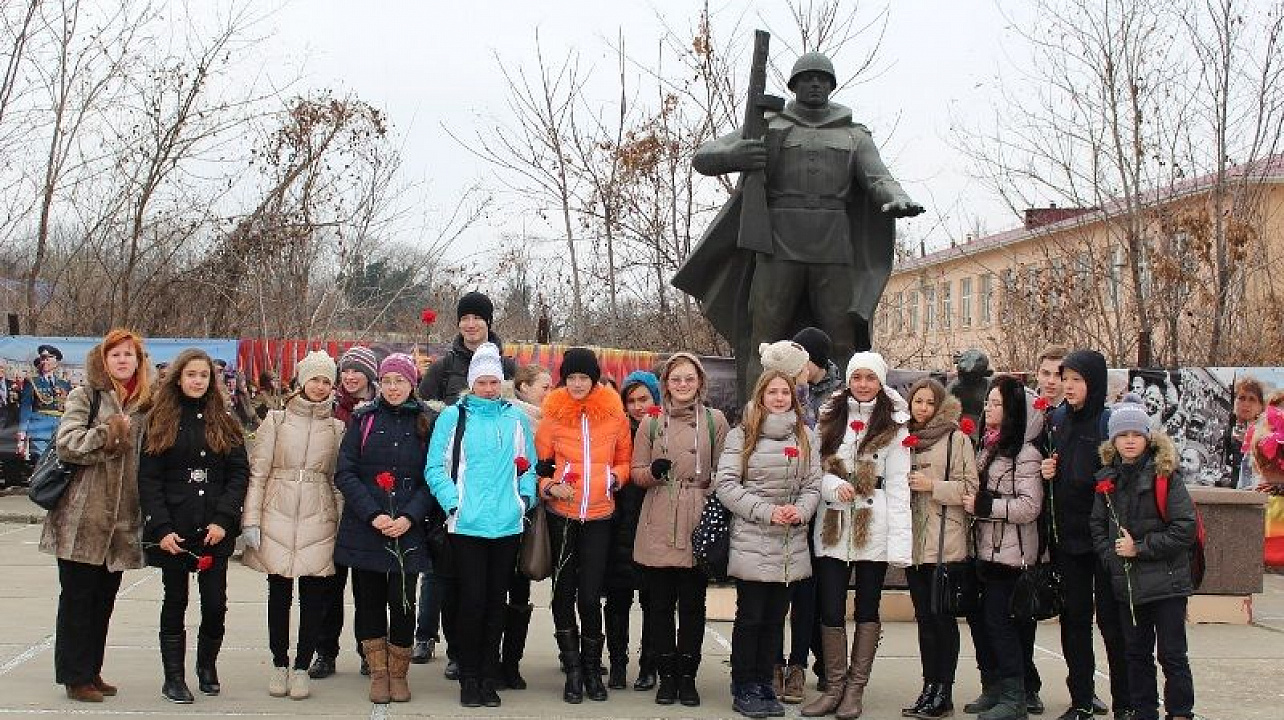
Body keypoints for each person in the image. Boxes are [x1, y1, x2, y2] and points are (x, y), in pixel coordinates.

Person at [675, 51, 924, 401]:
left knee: (841, 339)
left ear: (832, 85)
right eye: (807, 78)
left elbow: (878, 177)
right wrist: (737, 156)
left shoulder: (853, 135)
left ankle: (844, 413)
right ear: (794, 85)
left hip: (833, 246)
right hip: (777, 244)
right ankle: (754, 413)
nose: (815, 84)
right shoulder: (770, 124)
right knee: (763, 340)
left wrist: (898, 198)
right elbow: (703, 158)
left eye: (822, 78)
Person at [40, 330, 152, 702]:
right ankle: (75, 677)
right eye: (115, 354)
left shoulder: (144, 404)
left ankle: (91, 669)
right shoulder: (86, 395)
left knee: (103, 602)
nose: (122, 360)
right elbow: (67, 443)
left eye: (128, 354)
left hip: (121, 522)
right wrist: (108, 434)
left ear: (138, 361)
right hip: (81, 518)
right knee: (77, 600)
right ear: (103, 360)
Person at [425, 343, 537, 708]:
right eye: (482, 382)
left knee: (495, 603)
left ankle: (489, 676)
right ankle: (469, 676)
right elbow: (435, 468)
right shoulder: (453, 417)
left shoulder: (516, 418)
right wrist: (453, 503)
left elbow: (529, 467)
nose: (489, 389)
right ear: (472, 383)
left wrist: (523, 501)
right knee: (470, 602)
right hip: (466, 526)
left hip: (507, 526)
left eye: (494, 382)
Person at [802, 351, 911, 720]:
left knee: (867, 607)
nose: (863, 384)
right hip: (833, 524)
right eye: (857, 377)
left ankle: (854, 689)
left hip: (873, 526)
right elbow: (816, 470)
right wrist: (832, 486)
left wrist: (900, 545)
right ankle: (833, 686)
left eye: (870, 378)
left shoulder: (895, 424)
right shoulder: (830, 416)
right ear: (848, 380)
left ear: (880, 381)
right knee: (830, 608)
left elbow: (899, 487)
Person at [138, 348, 249, 704]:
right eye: (191, 375)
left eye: (203, 375)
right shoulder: (160, 419)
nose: (197, 381)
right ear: (178, 379)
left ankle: (206, 665)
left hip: (214, 528)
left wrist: (224, 519)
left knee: (215, 604)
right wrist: (160, 528)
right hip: (175, 528)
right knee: (175, 601)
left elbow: (238, 473)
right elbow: (149, 480)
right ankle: (173, 678)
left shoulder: (225, 420)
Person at [716, 368, 822, 719]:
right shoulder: (742, 434)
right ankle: (743, 685)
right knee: (751, 617)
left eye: (785, 392)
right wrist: (767, 512)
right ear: (760, 395)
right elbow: (726, 485)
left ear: (793, 397)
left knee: (776, 618)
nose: (779, 398)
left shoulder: (806, 435)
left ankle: (764, 682)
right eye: (772, 392)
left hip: (790, 541)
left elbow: (813, 485)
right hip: (752, 537)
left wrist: (800, 511)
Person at [240, 351, 346, 700]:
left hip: (318, 515)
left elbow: (338, 480)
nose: (320, 386)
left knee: (314, 597)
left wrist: (338, 521)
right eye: (314, 379)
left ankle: (302, 666)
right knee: (279, 593)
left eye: (326, 381)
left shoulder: (337, 428)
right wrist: (251, 519)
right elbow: (258, 473)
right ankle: (279, 663)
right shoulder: (276, 421)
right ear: (301, 382)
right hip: (277, 511)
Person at [333, 353, 435, 704]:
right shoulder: (363, 419)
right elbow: (345, 472)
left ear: (411, 384)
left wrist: (409, 516)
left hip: (408, 528)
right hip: (368, 527)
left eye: (400, 381)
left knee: (403, 602)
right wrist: (373, 514)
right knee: (370, 602)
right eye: (388, 381)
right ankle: (378, 672)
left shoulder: (427, 421)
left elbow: (432, 477)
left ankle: (398, 673)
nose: (393, 388)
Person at [631, 354, 730, 707]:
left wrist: (710, 487)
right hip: (659, 513)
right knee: (659, 605)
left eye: (689, 379)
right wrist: (652, 472)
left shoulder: (715, 420)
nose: (683, 385)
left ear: (700, 381)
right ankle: (666, 676)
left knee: (692, 605)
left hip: (697, 516)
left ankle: (688, 676)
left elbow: (726, 470)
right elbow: (636, 472)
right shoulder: (651, 422)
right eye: (676, 380)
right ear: (666, 384)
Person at [1091, 395, 1198, 720]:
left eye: (1136, 434)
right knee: (1136, 654)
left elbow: (1184, 529)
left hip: (1167, 584)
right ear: (1113, 440)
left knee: (1172, 655)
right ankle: (1144, 711)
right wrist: (1112, 558)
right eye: (1122, 435)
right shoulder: (1107, 479)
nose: (1129, 440)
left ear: (1147, 437)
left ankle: (1180, 712)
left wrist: (1139, 548)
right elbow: (1098, 525)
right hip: (1128, 584)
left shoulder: (1165, 475)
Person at [535, 347, 632, 704]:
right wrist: (549, 487)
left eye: (584, 378)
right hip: (562, 515)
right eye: (571, 378)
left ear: (595, 379)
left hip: (600, 516)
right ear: (564, 379)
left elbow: (624, 460)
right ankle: (573, 669)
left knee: (590, 596)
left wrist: (614, 479)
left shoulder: (613, 413)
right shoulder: (553, 414)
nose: (577, 384)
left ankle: (592, 669)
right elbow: (539, 466)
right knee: (562, 593)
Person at [1042, 350, 1129, 720]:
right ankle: (1081, 699)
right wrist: (1049, 470)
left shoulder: (1109, 423)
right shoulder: (1057, 419)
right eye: (1066, 379)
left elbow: (1122, 476)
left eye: (1077, 380)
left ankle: (1126, 702)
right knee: (1074, 620)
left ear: (1093, 384)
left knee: (1112, 623)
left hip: (1104, 540)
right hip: (1069, 538)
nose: (1068, 386)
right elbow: (1055, 469)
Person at [963, 376, 1045, 720]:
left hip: (1012, 556)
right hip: (985, 550)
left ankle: (1016, 696)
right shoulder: (987, 447)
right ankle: (994, 686)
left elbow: (1030, 507)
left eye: (997, 403)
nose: (989, 409)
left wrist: (987, 506)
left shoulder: (1024, 454)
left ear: (1013, 411)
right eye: (988, 402)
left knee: (1000, 623)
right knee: (982, 622)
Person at [898, 378, 978, 719]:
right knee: (924, 621)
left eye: (930, 402)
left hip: (944, 542)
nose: (923, 408)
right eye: (918, 401)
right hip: (913, 544)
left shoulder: (956, 438)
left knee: (941, 620)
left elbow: (970, 488)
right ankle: (928, 687)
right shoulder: (903, 438)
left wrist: (933, 485)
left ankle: (943, 692)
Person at [757, 338, 822, 704]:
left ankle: (797, 665)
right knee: (776, 599)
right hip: (771, 519)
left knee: (804, 597)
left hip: (807, 515)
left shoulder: (811, 413)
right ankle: (774, 664)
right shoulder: (761, 412)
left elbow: (815, 471)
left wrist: (803, 506)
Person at [311, 345, 379, 680]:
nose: (350, 377)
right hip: (330, 504)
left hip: (368, 506)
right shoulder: (328, 407)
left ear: (370, 375)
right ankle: (325, 652)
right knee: (329, 585)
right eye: (346, 371)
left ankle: (369, 652)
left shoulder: (381, 408)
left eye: (357, 371)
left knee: (367, 590)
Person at [484, 362, 551, 688]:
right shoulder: (511, 417)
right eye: (544, 387)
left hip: (529, 513)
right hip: (501, 513)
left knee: (521, 585)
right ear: (523, 388)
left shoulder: (548, 420)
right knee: (497, 586)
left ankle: (512, 662)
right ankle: (492, 660)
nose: (550, 393)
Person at [607, 370, 662, 692]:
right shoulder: (618, 434)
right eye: (631, 401)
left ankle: (648, 666)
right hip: (619, 529)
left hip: (654, 529)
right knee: (617, 602)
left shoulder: (664, 432)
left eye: (644, 399)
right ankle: (617, 664)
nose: (638, 406)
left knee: (653, 603)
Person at [418, 291, 518, 405]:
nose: (471, 325)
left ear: (488, 322)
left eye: (477, 318)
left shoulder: (508, 367)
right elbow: (422, 409)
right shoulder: (442, 367)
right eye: (465, 318)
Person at [19, 343, 72, 463]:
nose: (44, 362)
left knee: (57, 465)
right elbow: (25, 409)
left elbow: (69, 409)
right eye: (43, 358)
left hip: (60, 431)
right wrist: (22, 434)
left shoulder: (64, 384)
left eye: (48, 358)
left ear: (56, 362)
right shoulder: (32, 381)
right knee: (41, 463)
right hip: (39, 430)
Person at [794, 327, 844, 428]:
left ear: (817, 360)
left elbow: (814, 430)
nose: (797, 365)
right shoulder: (789, 385)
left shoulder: (838, 393)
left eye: (801, 360)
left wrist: (801, 392)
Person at [1229, 376, 1265, 490]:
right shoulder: (1224, 428)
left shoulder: (1264, 435)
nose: (1246, 404)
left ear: (1260, 407)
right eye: (1242, 398)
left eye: (1252, 399)